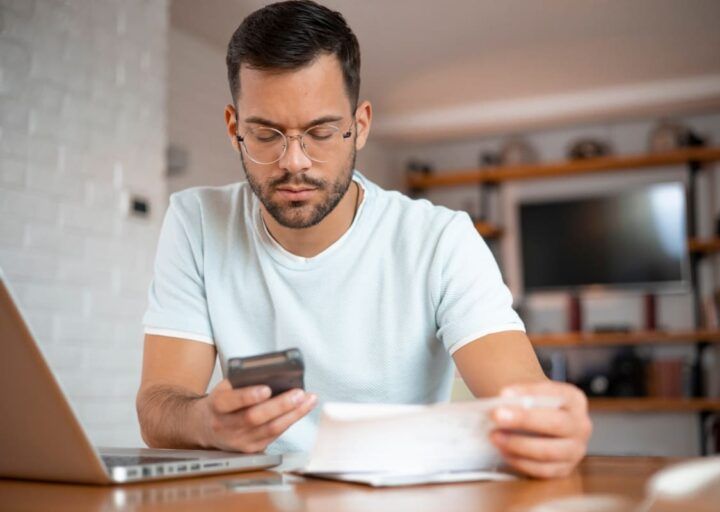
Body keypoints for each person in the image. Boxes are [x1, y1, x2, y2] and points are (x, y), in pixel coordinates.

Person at [136, 0, 591, 479]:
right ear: (235, 129)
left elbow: (520, 392)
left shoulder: (440, 240)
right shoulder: (196, 221)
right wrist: (205, 421)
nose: (295, 161)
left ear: (361, 126)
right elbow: (157, 408)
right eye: (267, 134)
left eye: (321, 132)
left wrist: (549, 424)